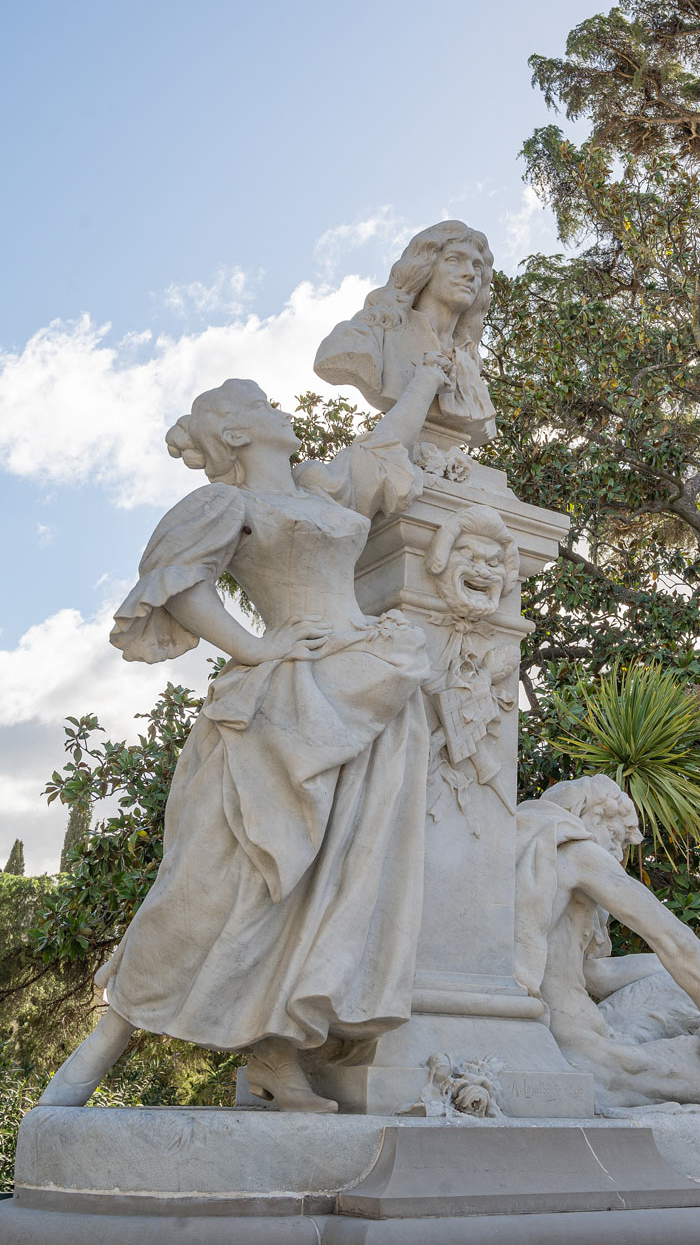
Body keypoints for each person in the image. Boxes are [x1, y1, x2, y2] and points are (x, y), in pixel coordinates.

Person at [39, 365, 448, 1113]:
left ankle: (276, 1055)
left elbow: (384, 445)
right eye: (259, 404)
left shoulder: (322, 489)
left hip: (368, 688)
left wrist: (424, 377)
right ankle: (109, 1035)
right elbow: (178, 583)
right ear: (234, 432)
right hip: (288, 699)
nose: (278, 408)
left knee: (328, 881)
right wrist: (254, 647)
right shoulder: (229, 503)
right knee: (221, 879)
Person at [515, 775, 700, 1190]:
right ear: (591, 817)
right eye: (615, 836)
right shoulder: (575, 851)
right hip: (595, 1063)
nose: (618, 852)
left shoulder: (526, 847)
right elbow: (673, 941)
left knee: (686, 981)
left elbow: (594, 974)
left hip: (578, 1034)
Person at [314, 220, 496, 445]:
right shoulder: (370, 334)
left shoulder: (469, 362)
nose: (469, 274)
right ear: (424, 268)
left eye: (477, 267)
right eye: (453, 260)